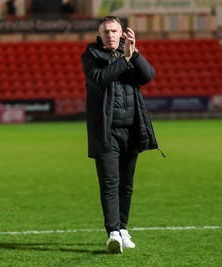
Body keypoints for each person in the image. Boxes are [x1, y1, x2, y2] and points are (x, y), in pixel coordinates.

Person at [81, 16, 163, 254]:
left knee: (126, 185)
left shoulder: (129, 53)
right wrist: (125, 58)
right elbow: (99, 79)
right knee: (110, 184)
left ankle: (123, 229)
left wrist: (135, 54)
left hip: (132, 130)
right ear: (99, 34)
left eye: (114, 31)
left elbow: (148, 76)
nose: (110, 35)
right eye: (106, 31)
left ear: (121, 33)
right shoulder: (91, 55)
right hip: (106, 133)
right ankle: (113, 233)